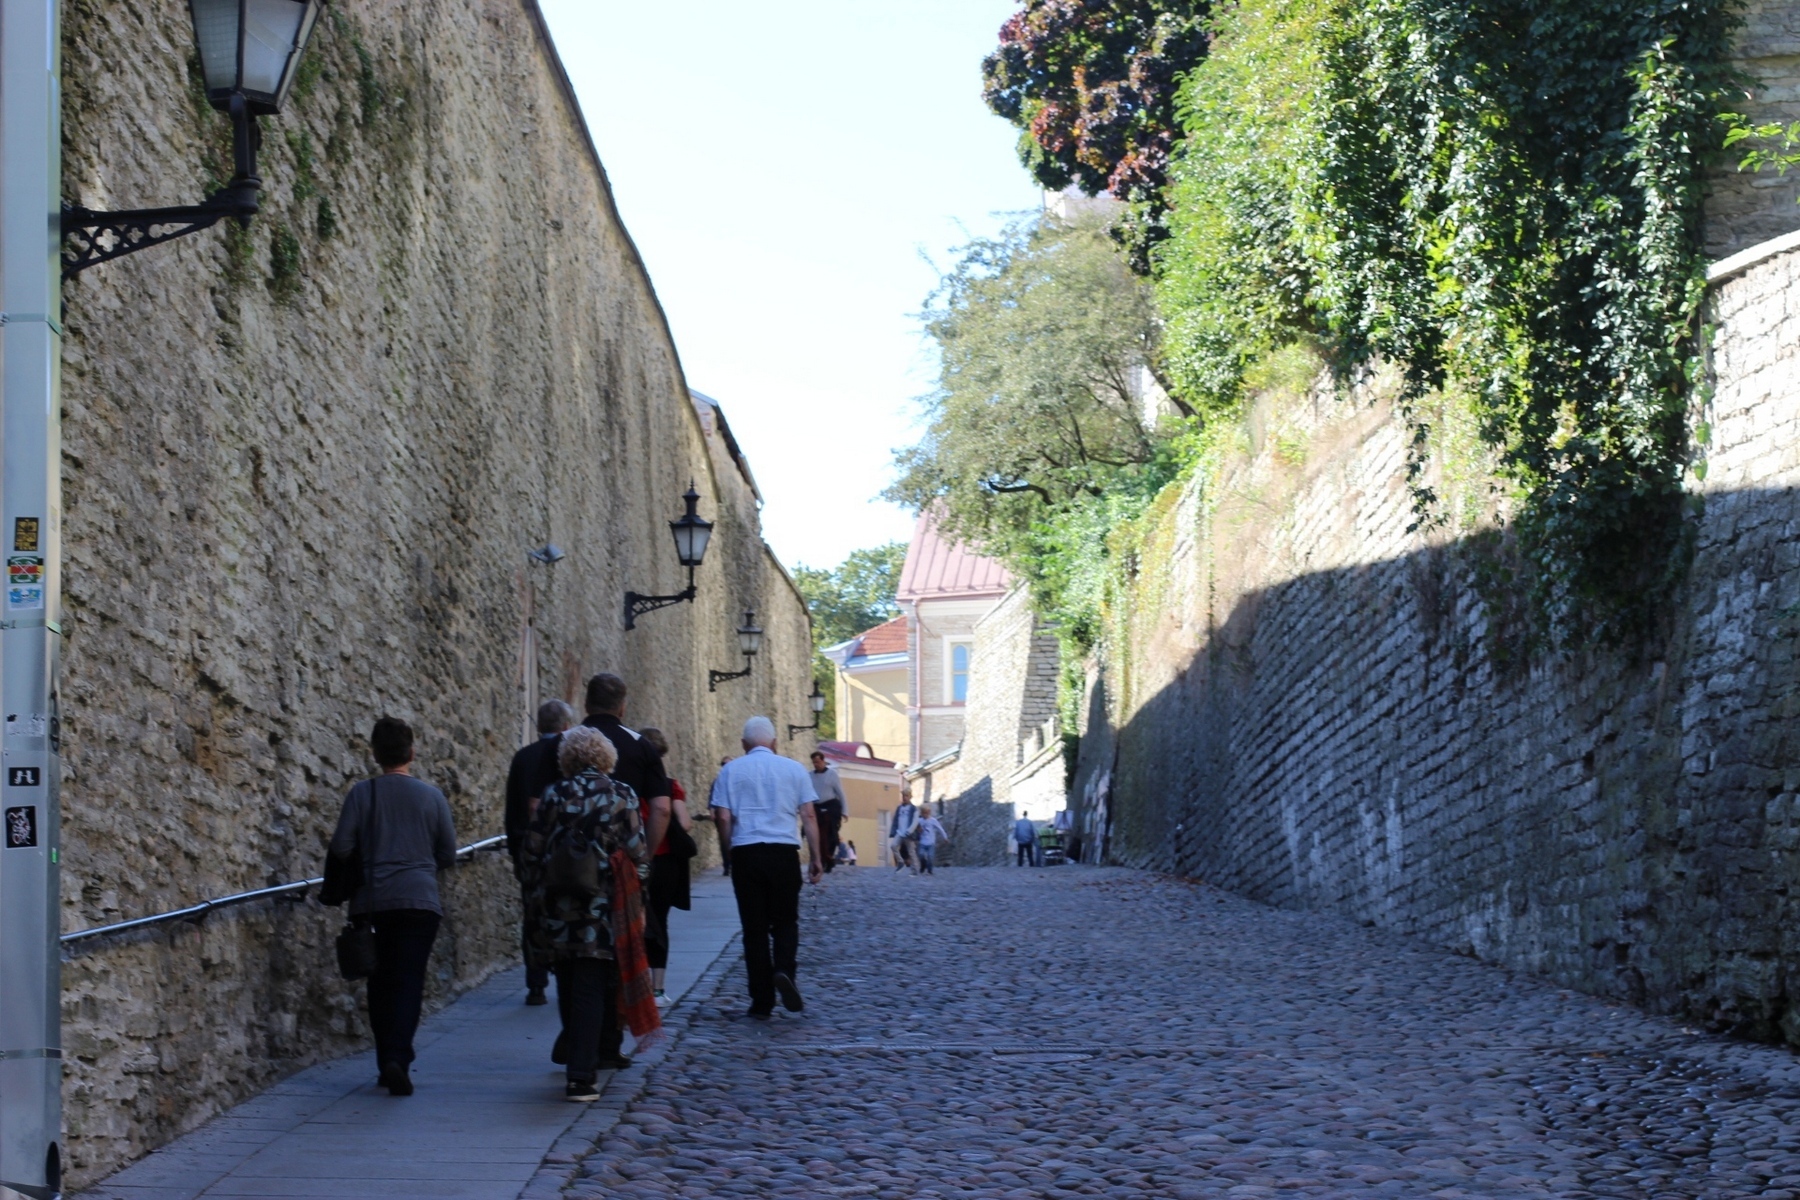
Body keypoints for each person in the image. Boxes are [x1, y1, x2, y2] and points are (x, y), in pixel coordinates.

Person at [520, 725, 650, 1102]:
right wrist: (635, 891)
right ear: (607, 757)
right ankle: (581, 1073)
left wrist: (536, 895)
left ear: (568, 759)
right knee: (593, 985)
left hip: (559, 908)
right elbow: (638, 854)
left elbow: (532, 851)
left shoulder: (552, 794)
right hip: (603, 909)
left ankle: (577, 1051)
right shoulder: (621, 794)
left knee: (568, 982)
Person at [328, 717, 457, 1097]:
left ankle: (387, 1058)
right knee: (409, 979)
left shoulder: (361, 794)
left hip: (373, 902)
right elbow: (447, 853)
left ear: (374, 754)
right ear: (412, 753)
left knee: (379, 981)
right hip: (419, 900)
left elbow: (340, 846)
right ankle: (398, 1057)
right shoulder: (432, 796)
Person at [709, 716, 823, 1018]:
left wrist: (728, 853)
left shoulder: (730, 771)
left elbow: (722, 817)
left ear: (744, 744)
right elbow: (809, 816)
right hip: (783, 852)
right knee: (786, 921)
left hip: (747, 852)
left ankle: (761, 1001)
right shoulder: (795, 769)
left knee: (754, 929)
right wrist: (816, 858)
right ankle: (784, 971)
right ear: (774, 742)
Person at [505, 699, 575, 1006]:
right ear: (566, 727)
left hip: (527, 846)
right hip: (562, 850)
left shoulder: (523, 757)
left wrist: (515, 850)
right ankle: (565, 973)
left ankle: (535, 983)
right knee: (563, 911)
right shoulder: (567, 757)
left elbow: (512, 809)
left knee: (532, 914)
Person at [581, 673, 671, 869]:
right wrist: (644, 857)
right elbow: (662, 809)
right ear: (622, 707)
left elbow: (536, 805)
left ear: (586, 704)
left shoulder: (564, 743)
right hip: (622, 862)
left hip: (570, 861)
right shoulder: (642, 746)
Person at [637, 727, 695, 1007]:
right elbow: (684, 823)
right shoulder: (671, 786)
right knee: (660, 922)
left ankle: (636, 986)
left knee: (634, 923)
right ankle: (658, 990)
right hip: (667, 861)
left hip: (637, 860)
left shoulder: (629, 785)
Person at [808, 751, 847, 872]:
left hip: (830, 807)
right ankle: (819, 860)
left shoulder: (832, 774)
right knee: (817, 835)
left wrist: (845, 811)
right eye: (814, 762)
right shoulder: (809, 775)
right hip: (816, 808)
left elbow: (840, 793)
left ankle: (829, 859)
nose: (816, 764)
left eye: (818, 762)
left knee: (830, 836)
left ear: (823, 761)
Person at [710, 756, 733, 876]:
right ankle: (727, 865)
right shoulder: (718, 780)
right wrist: (712, 812)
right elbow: (713, 798)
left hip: (733, 816)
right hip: (722, 814)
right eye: (723, 764)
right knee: (724, 842)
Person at [890, 791, 920, 873]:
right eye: (903, 796)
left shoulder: (914, 808)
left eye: (906, 796)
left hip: (908, 833)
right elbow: (896, 819)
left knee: (911, 852)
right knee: (893, 846)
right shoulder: (899, 808)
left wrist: (910, 830)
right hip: (900, 832)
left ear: (910, 797)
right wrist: (894, 830)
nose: (904, 797)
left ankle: (915, 869)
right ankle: (900, 862)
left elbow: (915, 821)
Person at [915, 804, 949, 875]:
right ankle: (923, 865)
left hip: (931, 842)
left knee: (930, 856)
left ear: (929, 812)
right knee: (921, 854)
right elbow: (915, 829)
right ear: (921, 813)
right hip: (922, 842)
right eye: (923, 813)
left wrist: (945, 837)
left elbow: (940, 829)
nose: (925, 815)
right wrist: (918, 830)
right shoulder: (919, 821)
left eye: (926, 813)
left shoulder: (933, 821)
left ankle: (930, 869)